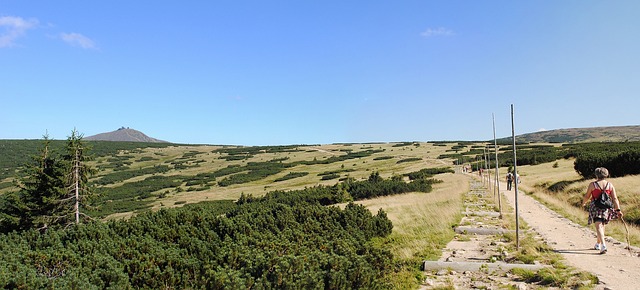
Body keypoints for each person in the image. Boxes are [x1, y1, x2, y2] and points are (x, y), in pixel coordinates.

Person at [581, 167, 622, 254]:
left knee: (598, 225)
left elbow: (587, 196)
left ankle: (603, 245)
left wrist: (583, 203)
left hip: (595, 206)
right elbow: (615, 198)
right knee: (602, 225)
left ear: (596, 175)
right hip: (606, 207)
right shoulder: (610, 185)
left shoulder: (593, 184)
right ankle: (598, 244)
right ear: (606, 174)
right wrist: (618, 209)